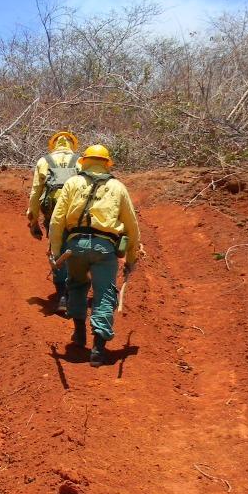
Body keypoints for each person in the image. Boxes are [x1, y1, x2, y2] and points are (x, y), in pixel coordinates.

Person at [49, 144, 142, 366]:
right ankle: (98, 350)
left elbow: (56, 220)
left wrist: (55, 251)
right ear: (107, 163)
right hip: (104, 248)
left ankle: (79, 333)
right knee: (104, 294)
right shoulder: (117, 187)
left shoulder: (72, 183)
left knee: (77, 285)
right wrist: (131, 258)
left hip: (75, 246)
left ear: (84, 161)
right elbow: (132, 226)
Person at [27, 131, 80, 314]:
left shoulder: (44, 161)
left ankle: (63, 295)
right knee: (77, 249)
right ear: (72, 144)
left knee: (57, 248)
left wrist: (33, 220)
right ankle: (77, 290)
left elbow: (35, 192)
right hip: (77, 214)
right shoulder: (80, 160)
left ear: (54, 144)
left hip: (53, 214)